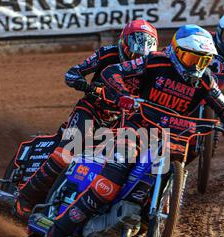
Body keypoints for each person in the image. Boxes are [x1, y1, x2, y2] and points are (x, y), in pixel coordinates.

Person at [42, 25, 224, 237]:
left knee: (160, 194)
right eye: (191, 58)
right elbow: (112, 72)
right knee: (109, 184)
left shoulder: (206, 79)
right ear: (176, 51)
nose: (196, 67)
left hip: (171, 139)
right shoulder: (155, 61)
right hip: (136, 129)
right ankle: (60, 229)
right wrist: (122, 94)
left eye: (203, 61)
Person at [13, 20, 159, 223]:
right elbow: (72, 72)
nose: (136, 59)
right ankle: (25, 199)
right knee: (65, 154)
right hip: (91, 111)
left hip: (122, 123)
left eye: (141, 56)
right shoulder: (106, 54)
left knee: (117, 168)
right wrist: (86, 85)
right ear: (123, 44)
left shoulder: (153, 68)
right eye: (133, 53)